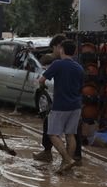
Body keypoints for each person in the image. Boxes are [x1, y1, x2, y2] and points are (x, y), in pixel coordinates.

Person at [33, 35, 84, 165]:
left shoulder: (57, 64)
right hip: (76, 106)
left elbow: (41, 80)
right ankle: (66, 164)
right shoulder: (79, 68)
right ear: (75, 52)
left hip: (61, 105)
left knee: (53, 134)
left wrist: (41, 83)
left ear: (61, 50)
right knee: (70, 134)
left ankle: (68, 159)